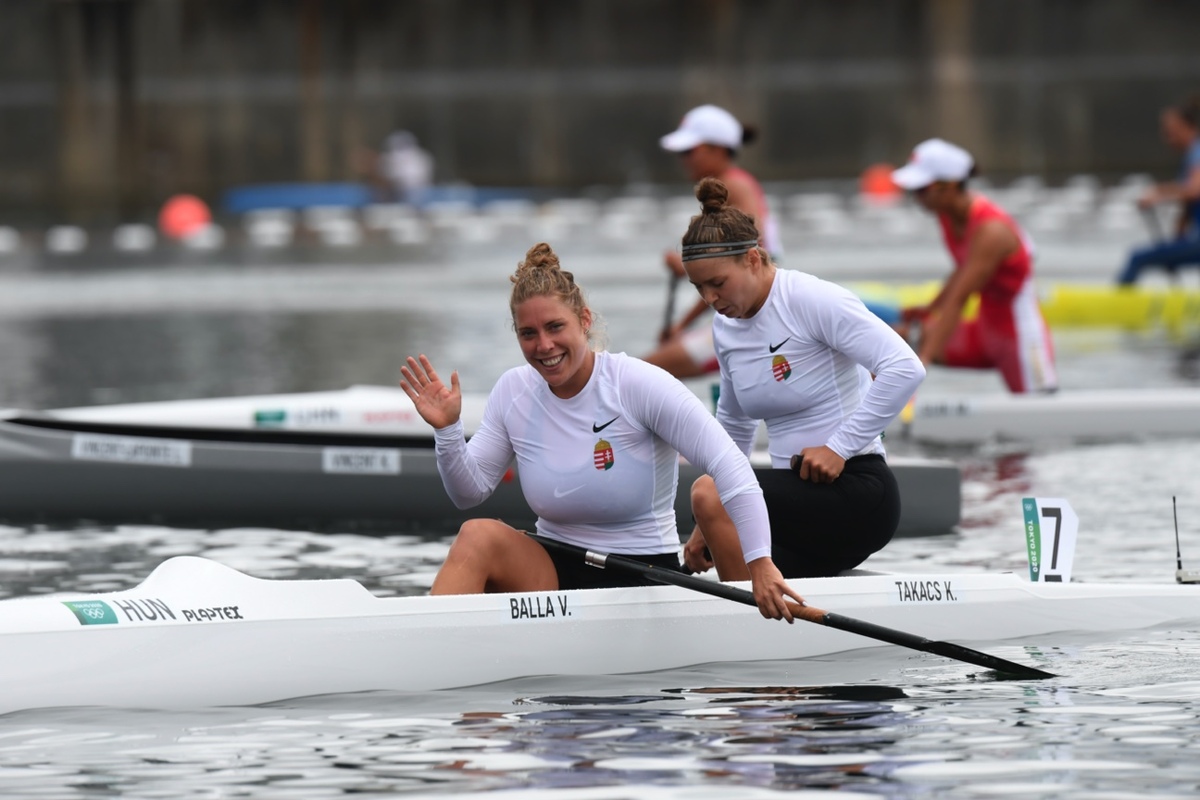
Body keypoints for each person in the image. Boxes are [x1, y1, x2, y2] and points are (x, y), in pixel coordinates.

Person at [399, 242, 804, 621]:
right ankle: (427, 650)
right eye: (529, 333)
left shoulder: (638, 385)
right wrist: (449, 431)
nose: (544, 345)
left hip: (640, 574)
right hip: (552, 566)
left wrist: (761, 564)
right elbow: (468, 493)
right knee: (477, 535)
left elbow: (729, 463)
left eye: (555, 327)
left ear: (585, 321)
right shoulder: (513, 390)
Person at [679, 178, 926, 581]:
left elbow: (905, 368)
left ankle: (749, 627)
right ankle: (759, 623)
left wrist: (838, 448)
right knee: (712, 495)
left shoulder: (811, 299)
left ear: (753, 259)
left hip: (857, 490)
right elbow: (736, 425)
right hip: (795, 504)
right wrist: (704, 525)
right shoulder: (725, 328)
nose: (709, 299)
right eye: (699, 287)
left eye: (717, 283)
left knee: (708, 492)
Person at [890, 138, 1058, 394]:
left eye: (921, 190)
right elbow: (962, 271)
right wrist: (930, 309)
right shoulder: (948, 216)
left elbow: (960, 300)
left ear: (951, 186)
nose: (916, 198)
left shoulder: (992, 231)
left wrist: (921, 363)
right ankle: (866, 409)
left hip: (1020, 339)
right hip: (984, 331)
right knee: (900, 338)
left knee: (1041, 428)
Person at [644, 104, 783, 379]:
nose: (684, 160)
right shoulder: (729, 186)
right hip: (743, 313)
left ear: (718, 149)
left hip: (758, 318)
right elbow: (724, 271)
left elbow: (743, 266)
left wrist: (682, 325)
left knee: (644, 374)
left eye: (689, 151)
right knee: (642, 375)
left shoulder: (735, 187)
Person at [1116, 95, 1200, 285]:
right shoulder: (1190, 157)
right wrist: (1174, 248)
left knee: (1137, 258)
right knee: (1154, 255)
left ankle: (1115, 306)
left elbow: (1195, 190)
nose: (1166, 137)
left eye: (1170, 131)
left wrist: (1158, 193)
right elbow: (1187, 211)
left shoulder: (1197, 152)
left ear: (1186, 127)